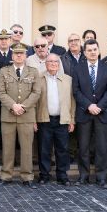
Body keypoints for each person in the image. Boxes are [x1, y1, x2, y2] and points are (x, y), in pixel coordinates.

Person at [72, 39, 107, 188]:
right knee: (83, 147)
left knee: (102, 147)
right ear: (84, 52)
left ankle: (101, 177)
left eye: (94, 49)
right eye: (89, 50)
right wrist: (89, 105)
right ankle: (83, 175)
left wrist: (99, 106)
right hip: (84, 113)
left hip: (102, 114)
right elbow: (76, 91)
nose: (92, 52)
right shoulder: (77, 68)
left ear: (98, 50)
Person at [0, 42, 42, 188]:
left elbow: (36, 92)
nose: (18, 56)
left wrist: (23, 106)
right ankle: (6, 176)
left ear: (26, 56)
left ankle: (27, 177)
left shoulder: (33, 72)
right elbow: (1, 92)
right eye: (16, 53)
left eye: (21, 53)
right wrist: (13, 106)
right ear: (12, 55)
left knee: (27, 148)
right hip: (8, 115)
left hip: (26, 115)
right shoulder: (4, 71)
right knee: (7, 147)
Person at [36, 53, 75, 185]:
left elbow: (72, 101)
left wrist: (72, 119)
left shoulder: (68, 79)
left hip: (62, 120)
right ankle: (44, 175)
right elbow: (35, 101)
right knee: (44, 149)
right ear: (45, 64)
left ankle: (62, 175)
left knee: (62, 149)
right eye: (50, 61)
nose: (53, 64)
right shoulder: (39, 78)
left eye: (55, 62)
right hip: (44, 119)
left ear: (59, 64)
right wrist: (34, 120)